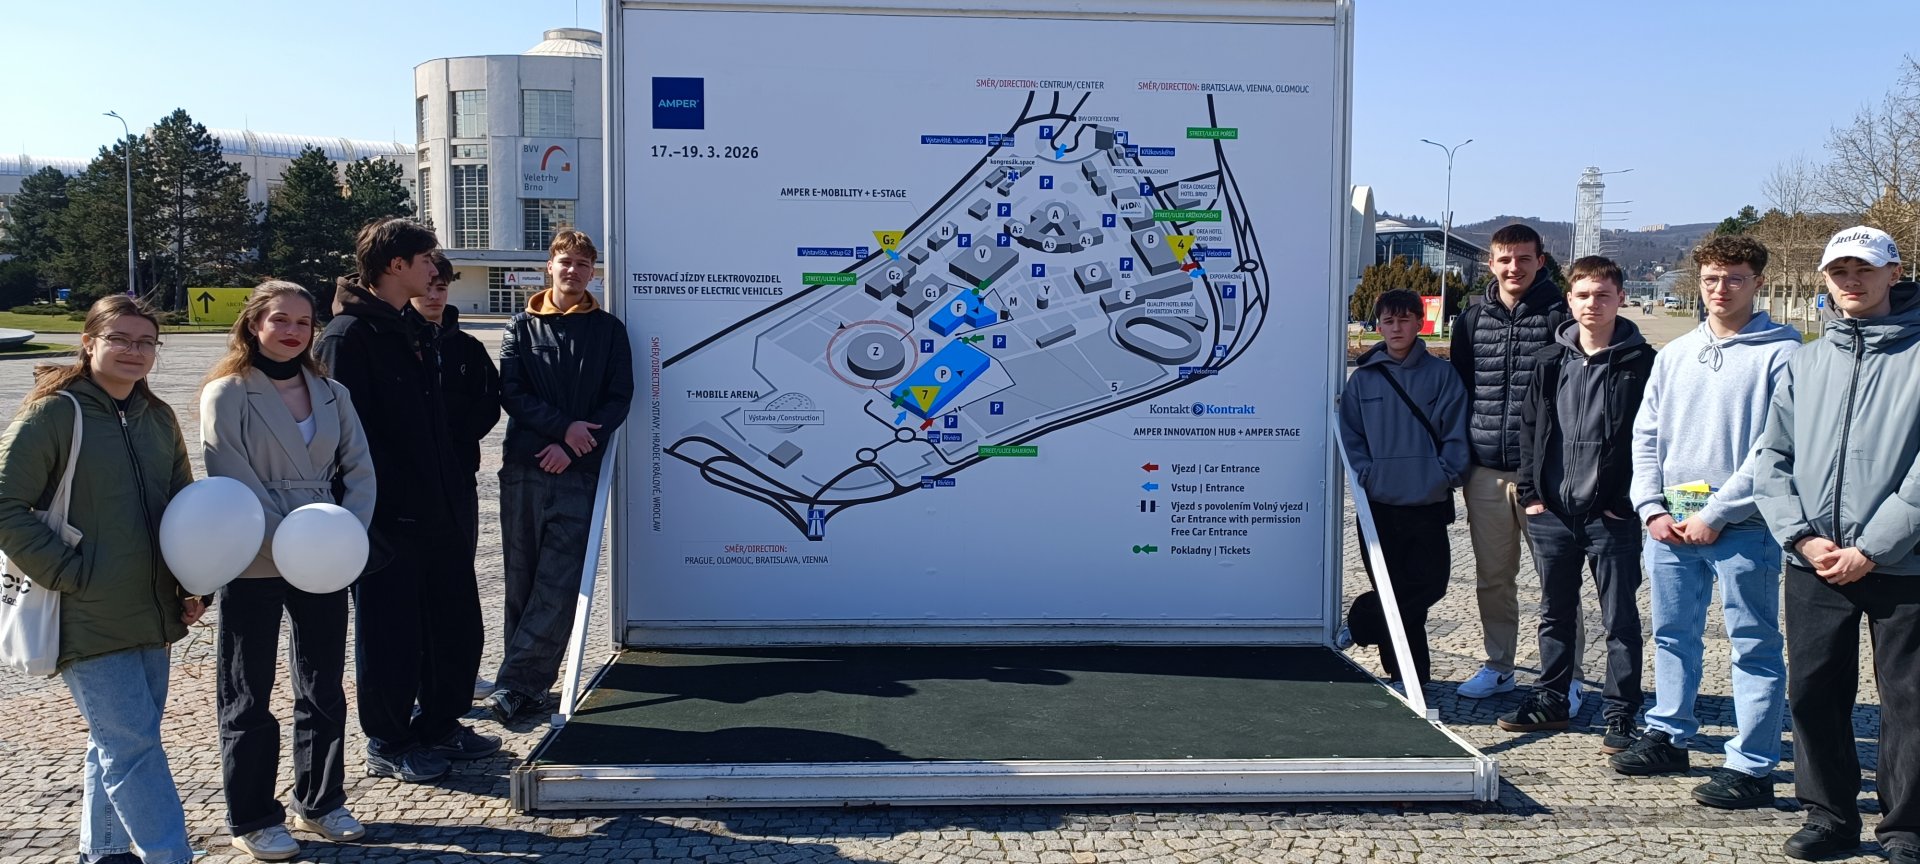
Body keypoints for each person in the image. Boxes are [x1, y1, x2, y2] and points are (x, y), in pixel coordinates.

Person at [0, 296, 200, 864]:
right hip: (84, 611)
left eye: (146, 342)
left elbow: (183, 506)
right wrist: (71, 574)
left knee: (118, 739)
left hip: (153, 608)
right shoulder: (55, 413)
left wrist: (193, 580)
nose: (135, 351)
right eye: (120, 339)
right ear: (89, 343)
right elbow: (5, 504)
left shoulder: (157, 417)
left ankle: (104, 850)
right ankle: (170, 856)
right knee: (132, 746)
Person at [1610, 236, 1798, 809]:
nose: (1721, 289)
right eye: (1712, 278)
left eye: (1735, 278)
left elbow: (1773, 449)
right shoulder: (1676, 353)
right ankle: (1669, 733)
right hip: (1672, 521)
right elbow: (1647, 434)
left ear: (1757, 282)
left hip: (1744, 524)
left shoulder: (1784, 352)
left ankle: (1753, 765)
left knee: (1753, 644)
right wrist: (1650, 506)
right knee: (1673, 634)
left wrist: (1718, 513)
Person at [1752, 226, 1920, 863]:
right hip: (1815, 561)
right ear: (1824, 278)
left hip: (1904, 562)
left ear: (1894, 273)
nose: (1851, 281)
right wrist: (1800, 537)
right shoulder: (1807, 360)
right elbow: (1772, 456)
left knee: (1909, 701)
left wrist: (1873, 547)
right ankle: (1828, 816)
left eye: (1864, 269)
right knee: (1814, 692)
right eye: (1839, 270)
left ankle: (1906, 828)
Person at [315, 219, 499, 782]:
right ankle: (389, 740)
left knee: (453, 625)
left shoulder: (413, 329)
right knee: (390, 634)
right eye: (426, 258)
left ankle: (440, 724)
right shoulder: (347, 337)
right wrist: (369, 514)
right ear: (396, 265)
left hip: (440, 510)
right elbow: (344, 440)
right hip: (388, 519)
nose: (434, 268)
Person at [200, 282, 377, 859]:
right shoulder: (227, 392)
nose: (293, 331)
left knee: (323, 683)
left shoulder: (332, 392)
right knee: (247, 689)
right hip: (253, 550)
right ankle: (253, 815)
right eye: (280, 319)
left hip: (324, 550)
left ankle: (321, 799)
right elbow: (229, 471)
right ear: (254, 324)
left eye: (303, 321)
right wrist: (288, 542)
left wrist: (346, 534)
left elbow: (360, 468)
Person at [1499, 256, 1653, 757]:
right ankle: (1552, 698)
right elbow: (1528, 430)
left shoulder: (1642, 364)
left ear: (1620, 299)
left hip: (1611, 517)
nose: (1593, 304)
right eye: (1583, 295)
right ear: (1569, 300)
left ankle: (1621, 712)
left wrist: (1626, 501)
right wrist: (1531, 495)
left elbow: (1653, 440)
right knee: (1554, 613)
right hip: (1553, 513)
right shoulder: (1550, 361)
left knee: (1620, 620)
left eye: (1603, 295)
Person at [485, 229, 634, 723]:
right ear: (549, 266)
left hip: (578, 469)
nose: (574, 271)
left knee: (559, 579)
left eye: (583, 264)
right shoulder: (521, 326)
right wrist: (560, 428)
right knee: (521, 577)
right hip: (524, 467)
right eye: (566, 261)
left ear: (594, 273)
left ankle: (516, 683)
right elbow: (512, 392)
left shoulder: (609, 330)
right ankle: (524, 683)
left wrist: (572, 445)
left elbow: (619, 398)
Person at [1448, 224, 1575, 700]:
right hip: (1485, 471)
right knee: (1493, 579)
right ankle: (1499, 666)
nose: (1513, 267)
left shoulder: (1562, 316)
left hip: (1545, 475)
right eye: (1504, 259)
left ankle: (1565, 678)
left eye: (1523, 258)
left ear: (1541, 261)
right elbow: (1461, 390)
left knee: (1556, 581)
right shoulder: (1471, 319)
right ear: (1491, 263)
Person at [1338, 289, 1469, 688]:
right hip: (1378, 503)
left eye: (1404, 320)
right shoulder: (1363, 379)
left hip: (1427, 500)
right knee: (1393, 589)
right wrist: (1368, 474)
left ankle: (1361, 622)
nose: (1396, 328)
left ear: (1419, 323)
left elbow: (1456, 432)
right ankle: (1411, 677)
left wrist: (1444, 473)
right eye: (1388, 321)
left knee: (1430, 584)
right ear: (1378, 326)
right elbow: (1351, 436)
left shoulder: (1442, 375)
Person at [408, 255, 503, 702]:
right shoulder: (397, 342)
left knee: (457, 580)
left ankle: (459, 675)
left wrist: (455, 439)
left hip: (459, 479)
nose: (434, 296)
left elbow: (489, 402)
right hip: (410, 486)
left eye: (442, 288)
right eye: (428, 287)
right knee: (414, 587)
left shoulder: (467, 347)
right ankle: (414, 681)